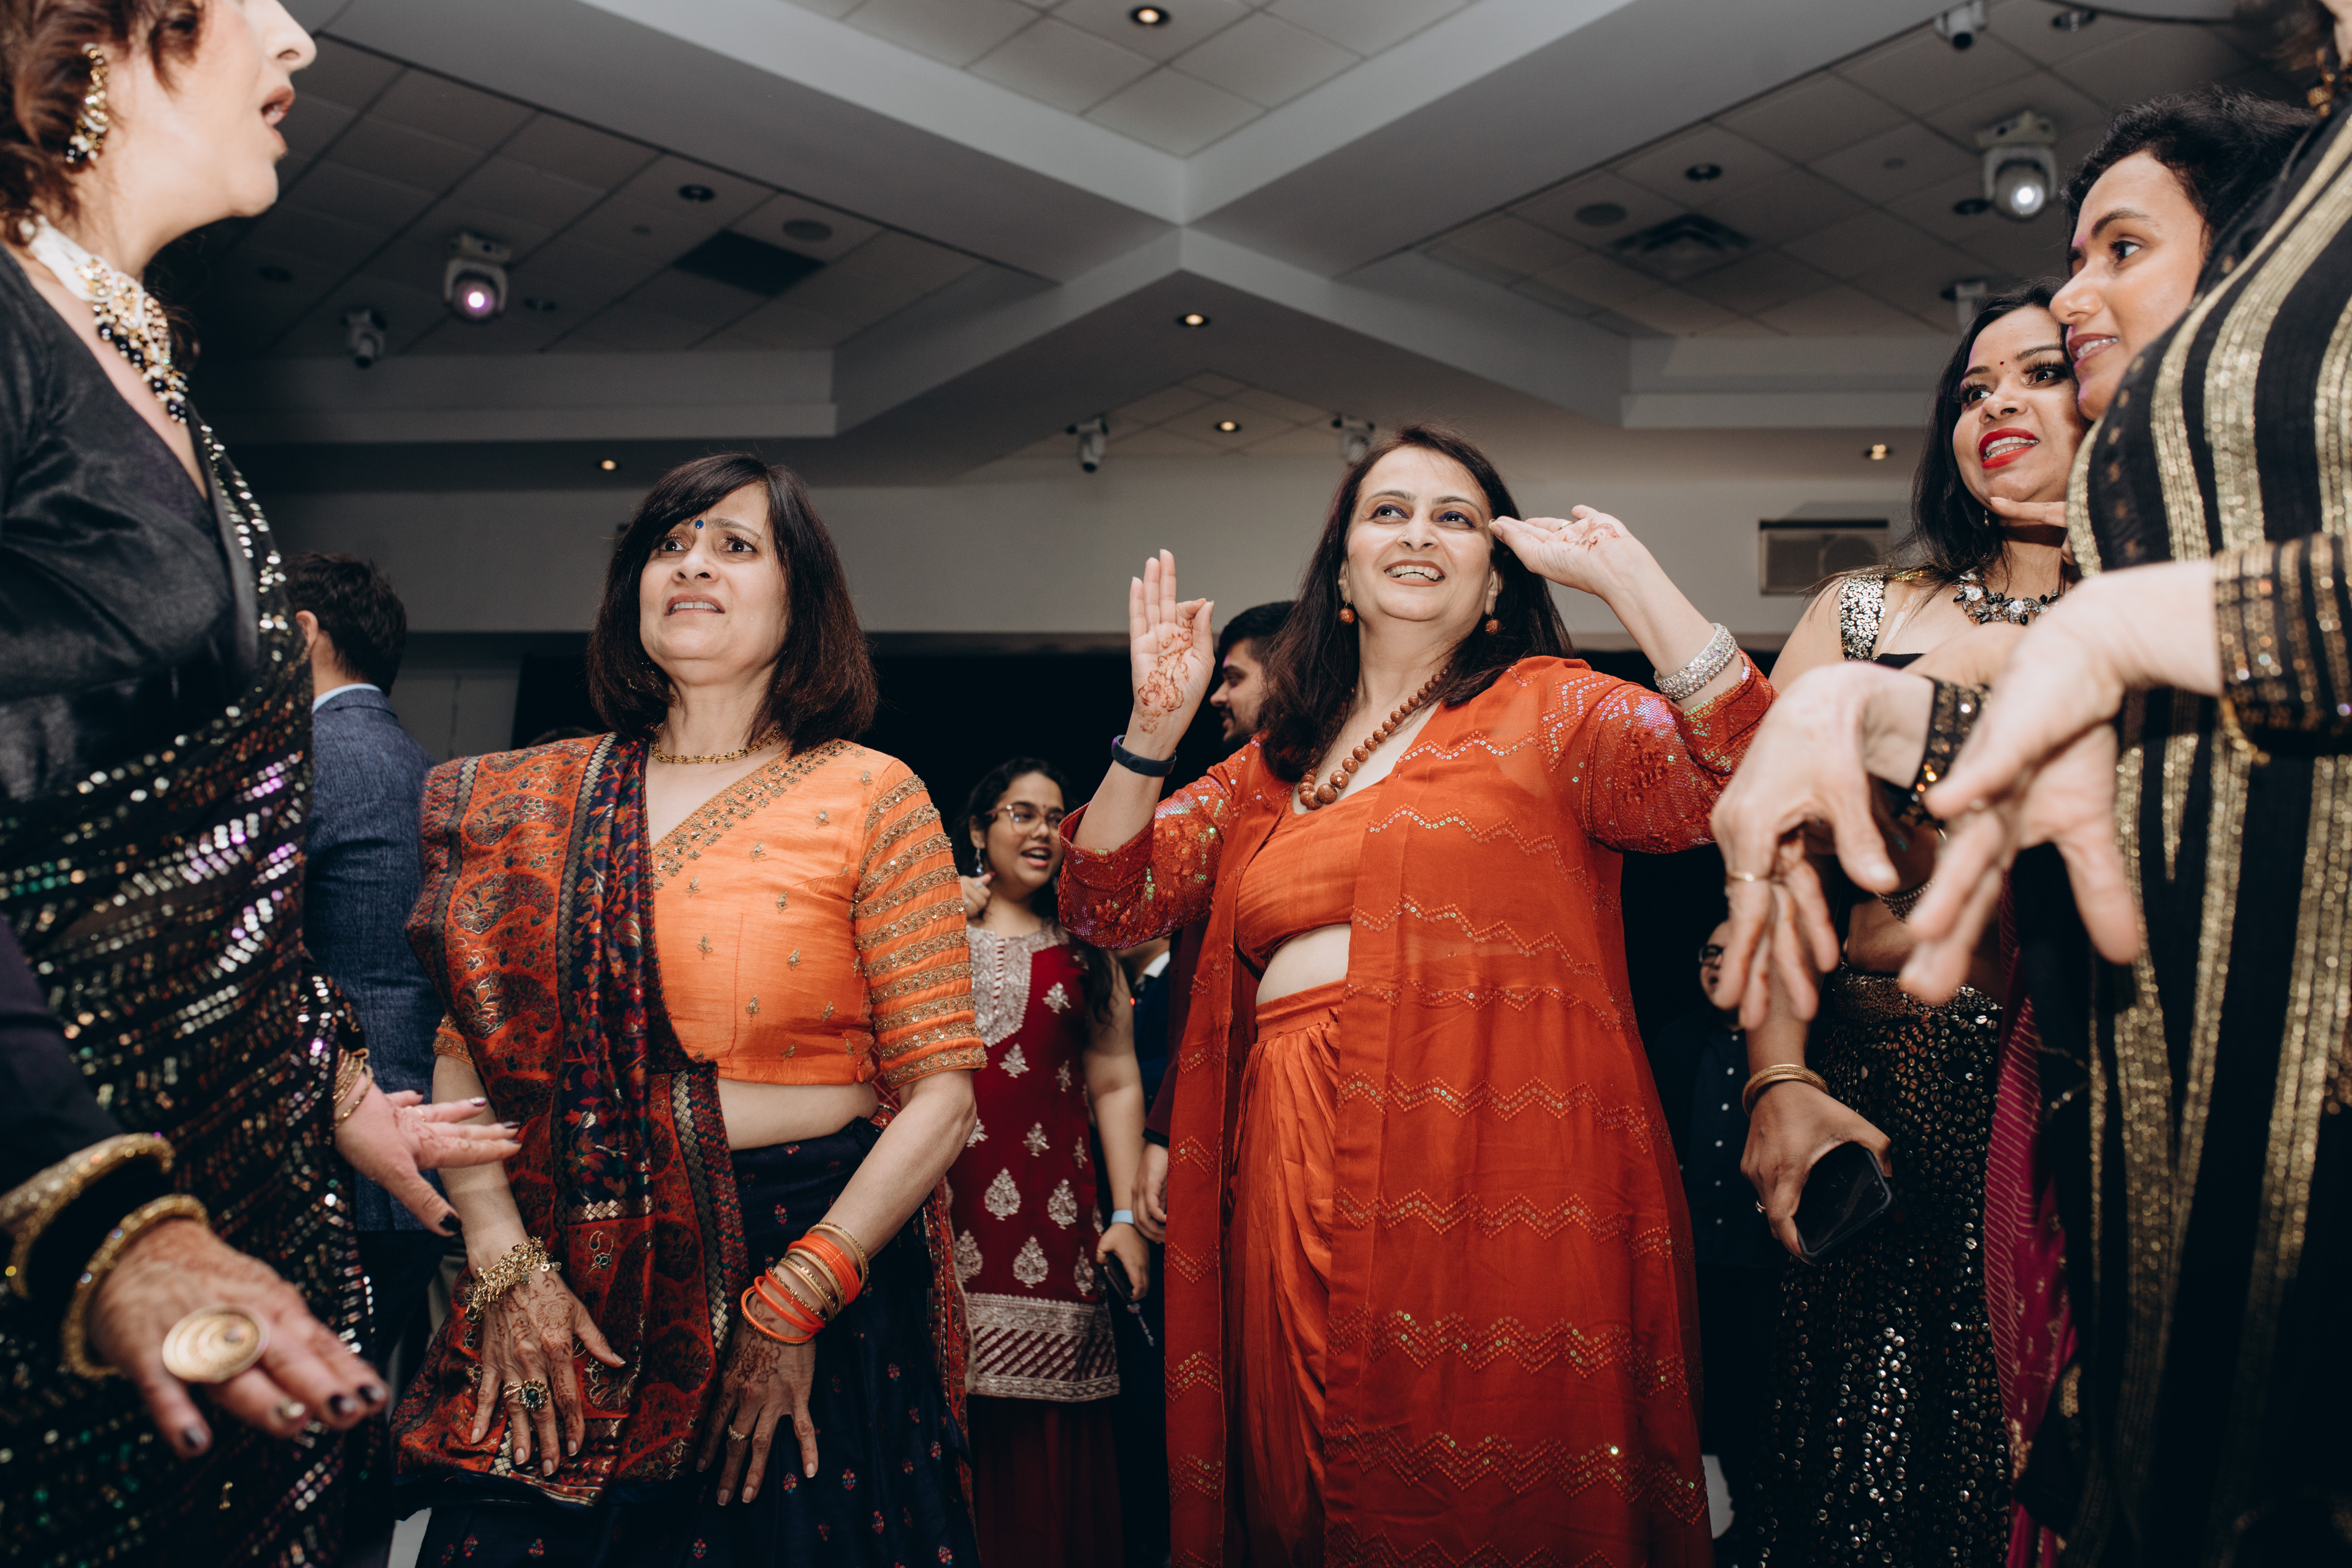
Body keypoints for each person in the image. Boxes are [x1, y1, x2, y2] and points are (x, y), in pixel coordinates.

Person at [1709, 23, 2352, 1559]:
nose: (2068, 305)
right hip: (2129, 1128)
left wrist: (2123, 634)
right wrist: (1875, 710)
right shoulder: (2014, 571)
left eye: (2117, 252)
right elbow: (2113, 747)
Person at [1060, 423, 1773, 1566]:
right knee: (1301, 1484)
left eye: (1456, 518)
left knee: (1478, 1476)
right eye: (1387, 511)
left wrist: (1631, 580)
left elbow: (1735, 769)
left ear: (1495, 584)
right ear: (1340, 575)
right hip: (1290, 1151)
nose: (1419, 534)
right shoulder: (1270, 770)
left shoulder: (1554, 709)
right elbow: (1107, 901)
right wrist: (1150, 731)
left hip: (1488, 1155)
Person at [0, 7, 519, 1563]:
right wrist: (101, 1220)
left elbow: (179, 849)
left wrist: (338, 1090)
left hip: (226, 1193)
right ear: (97, 33)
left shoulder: (134, 347)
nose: (295, 35)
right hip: (63, 1235)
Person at [392, 453, 985, 1568]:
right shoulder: (535, 798)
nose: (692, 565)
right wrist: (503, 1258)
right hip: (562, 1268)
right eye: (668, 545)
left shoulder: (870, 793)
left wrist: (800, 1294)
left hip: (797, 1250)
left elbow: (941, 1099)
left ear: (801, 599)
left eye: (734, 545)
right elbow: (467, 1059)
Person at [1739, 281, 2086, 1568]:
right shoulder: (1865, 612)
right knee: (1857, 1468)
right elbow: (1773, 872)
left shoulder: (2163, 612)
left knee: (2045, 1452)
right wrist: (1777, 1079)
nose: (1996, 404)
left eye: (2039, 372)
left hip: (2069, 1094)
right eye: (1971, 389)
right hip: (1874, 1086)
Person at [948, 757, 1148, 1568]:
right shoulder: (928, 933)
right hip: (938, 1215)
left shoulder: (1086, 948)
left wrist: (1128, 1215)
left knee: (1050, 1431)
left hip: (1055, 1219)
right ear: (978, 830)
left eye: (1055, 818)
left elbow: (1115, 1080)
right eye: (1021, 813)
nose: (1041, 832)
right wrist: (935, 911)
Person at [288, 553, 448, 1374]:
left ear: (303, 634)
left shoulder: (309, 754)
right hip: (414, 1131)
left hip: (333, 1143)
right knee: (347, 1398)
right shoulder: (425, 765)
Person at [1643, 921, 1781, 1563]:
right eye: (1711, 952)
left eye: (1737, 951)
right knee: (1691, 1401)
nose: (1719, 962)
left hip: (1764, 1265)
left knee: (1755, 1402)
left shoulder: (1793, 1055)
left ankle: (1756, 1534)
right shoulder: (1674, 1042)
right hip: (1690, 1261)